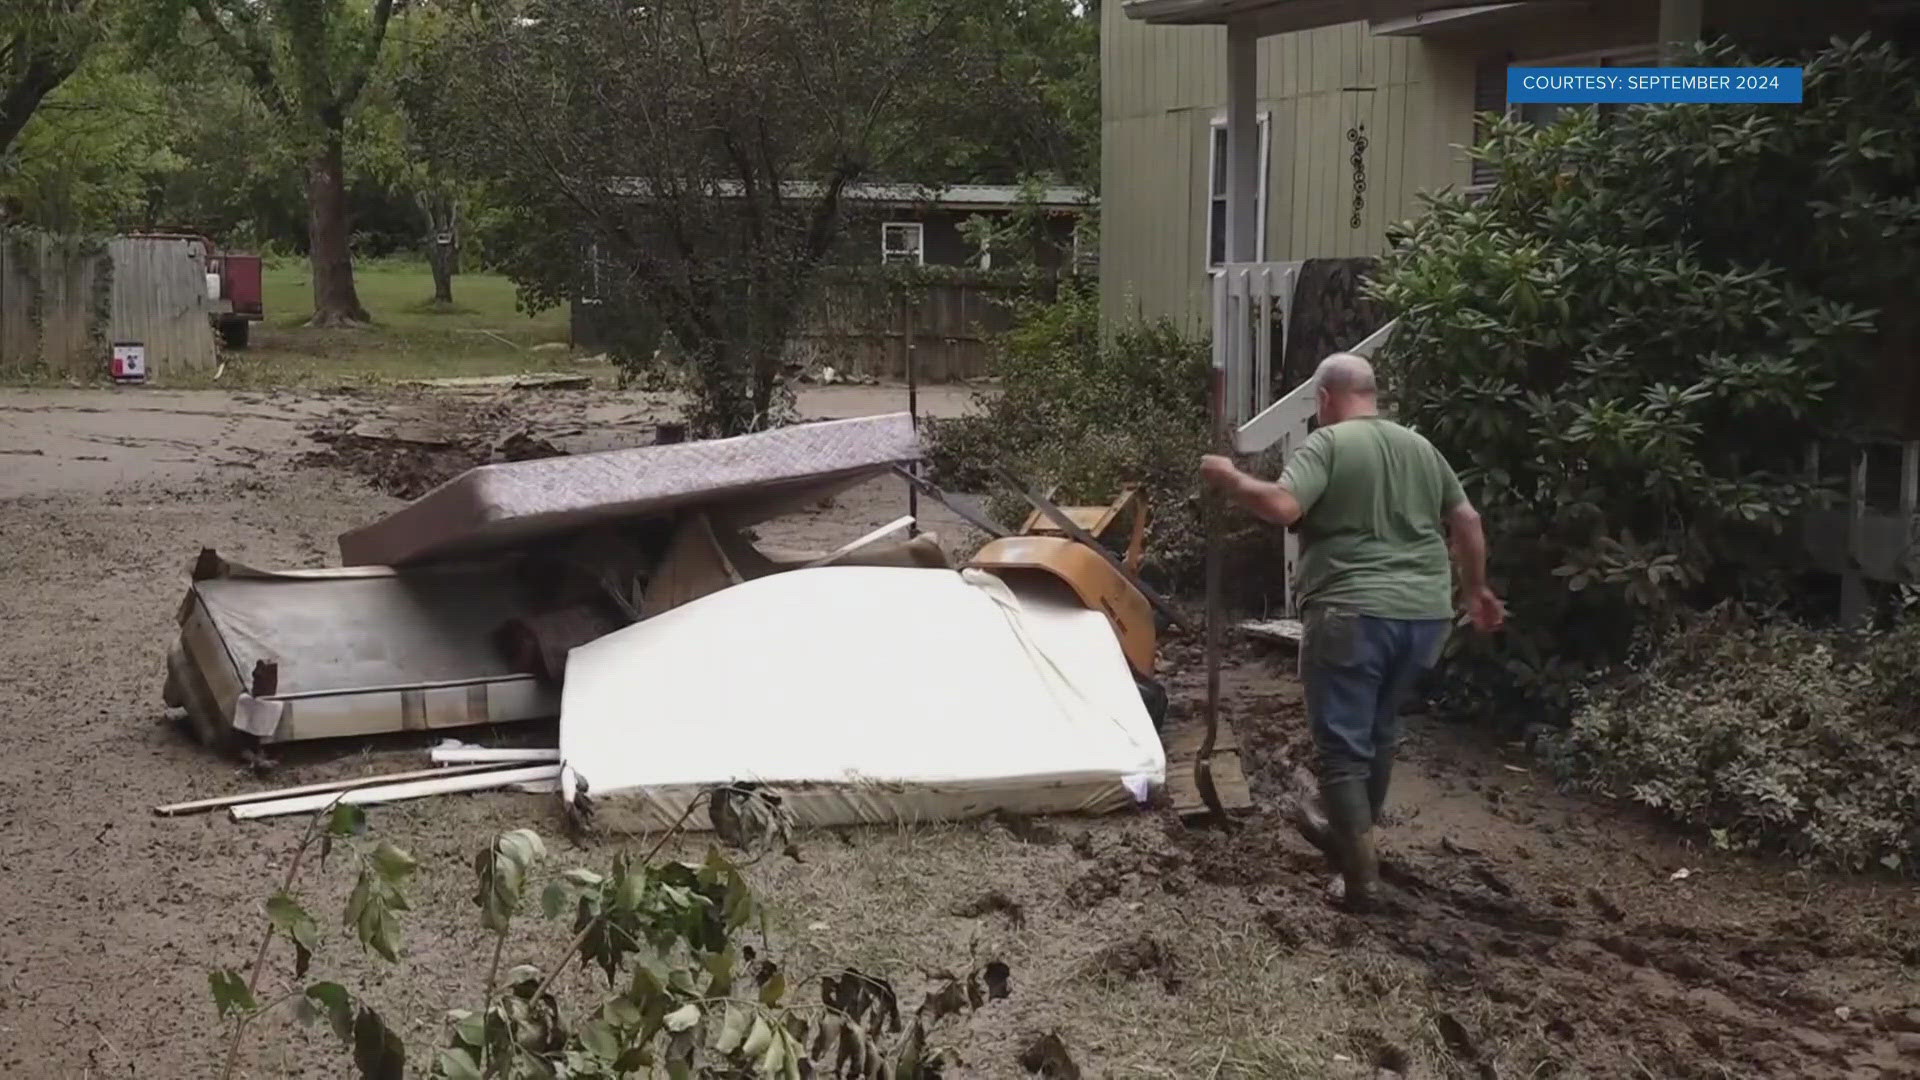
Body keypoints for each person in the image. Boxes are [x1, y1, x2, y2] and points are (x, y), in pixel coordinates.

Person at [1199, 352, 1503, 911]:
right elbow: (1467, 521)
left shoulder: (1329, 444)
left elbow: (1285, 507)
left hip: (1352, 612)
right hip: (1424, 618)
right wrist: (1476, 590)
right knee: (1380, 728)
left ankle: (1360, 879)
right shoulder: (1421, 448)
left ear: (1324, 399)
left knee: (1342, 749)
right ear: (1372, 393)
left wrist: (1232, 479)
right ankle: (1349, 830)